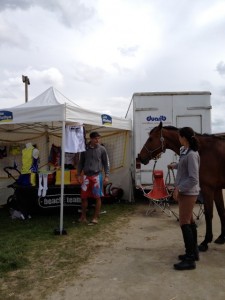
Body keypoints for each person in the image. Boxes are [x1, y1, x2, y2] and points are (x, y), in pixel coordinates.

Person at [168, 127, 200, 271]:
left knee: (184, 222)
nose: (178, 138)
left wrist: (179, 188)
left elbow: (193, 178)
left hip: (188, 192)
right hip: (185, 192)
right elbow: (183, 166)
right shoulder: (184, 151)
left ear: (184, 138)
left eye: (179, 136)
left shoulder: (192, 154)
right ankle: (194, 252)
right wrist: (174, 165)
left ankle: (190, 258)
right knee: (190, 221)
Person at [77, 131, 110, 225]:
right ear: (90, 139)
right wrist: (79, 174)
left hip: (97, 176)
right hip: (86, 176)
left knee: (97, 197)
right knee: (84, 197)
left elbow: (106, 163)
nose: (98, 140)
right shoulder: (84, 149)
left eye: (99, 138)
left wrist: (107, 175)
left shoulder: (102, 149)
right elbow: (81, 163)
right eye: (96, 138)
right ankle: (83, 216)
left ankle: (95, 217)